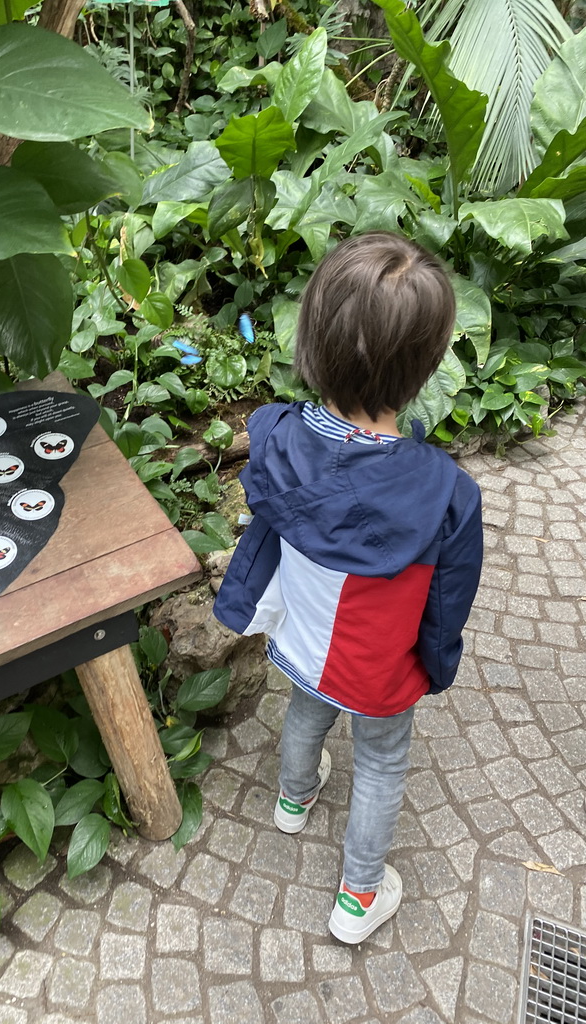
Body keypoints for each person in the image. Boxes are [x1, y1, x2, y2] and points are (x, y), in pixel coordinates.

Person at [213, 231, 483, 944]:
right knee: (383, 758)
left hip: (301, 641)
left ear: (313, 337)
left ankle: (293, 801)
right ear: (425, 364)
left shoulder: (273, 435)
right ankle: (359, 898)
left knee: (307, 710)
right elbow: (448, 602)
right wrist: (436, 664)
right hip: (378, 668)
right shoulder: (447, 495)